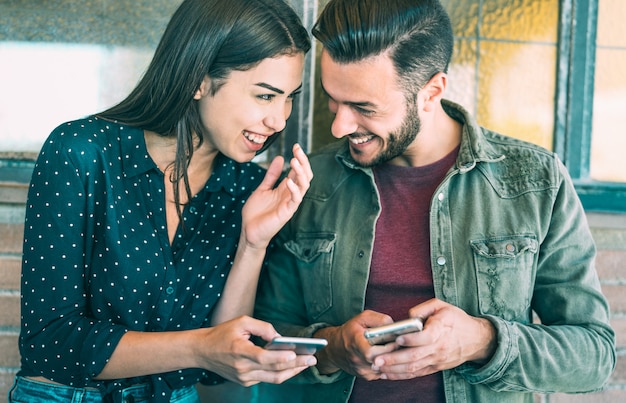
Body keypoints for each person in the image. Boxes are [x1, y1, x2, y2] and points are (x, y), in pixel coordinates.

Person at [253, 0, 616, 402]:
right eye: (333, 100)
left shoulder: (536, 181)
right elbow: (268, 337)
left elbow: (593, 356)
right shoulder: (310, 182)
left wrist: (482, 341)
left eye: (364, 108)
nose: (340, 125)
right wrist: (333, 347)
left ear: (432, 91)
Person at [11, 0, 315, 402]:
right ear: (199, 80)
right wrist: (198, 347)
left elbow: (218, 362)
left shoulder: (249, 187)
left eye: (289, 97)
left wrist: (252, 244)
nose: (279, 119)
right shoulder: (82, 152)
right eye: (264, 96)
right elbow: (50, 343)